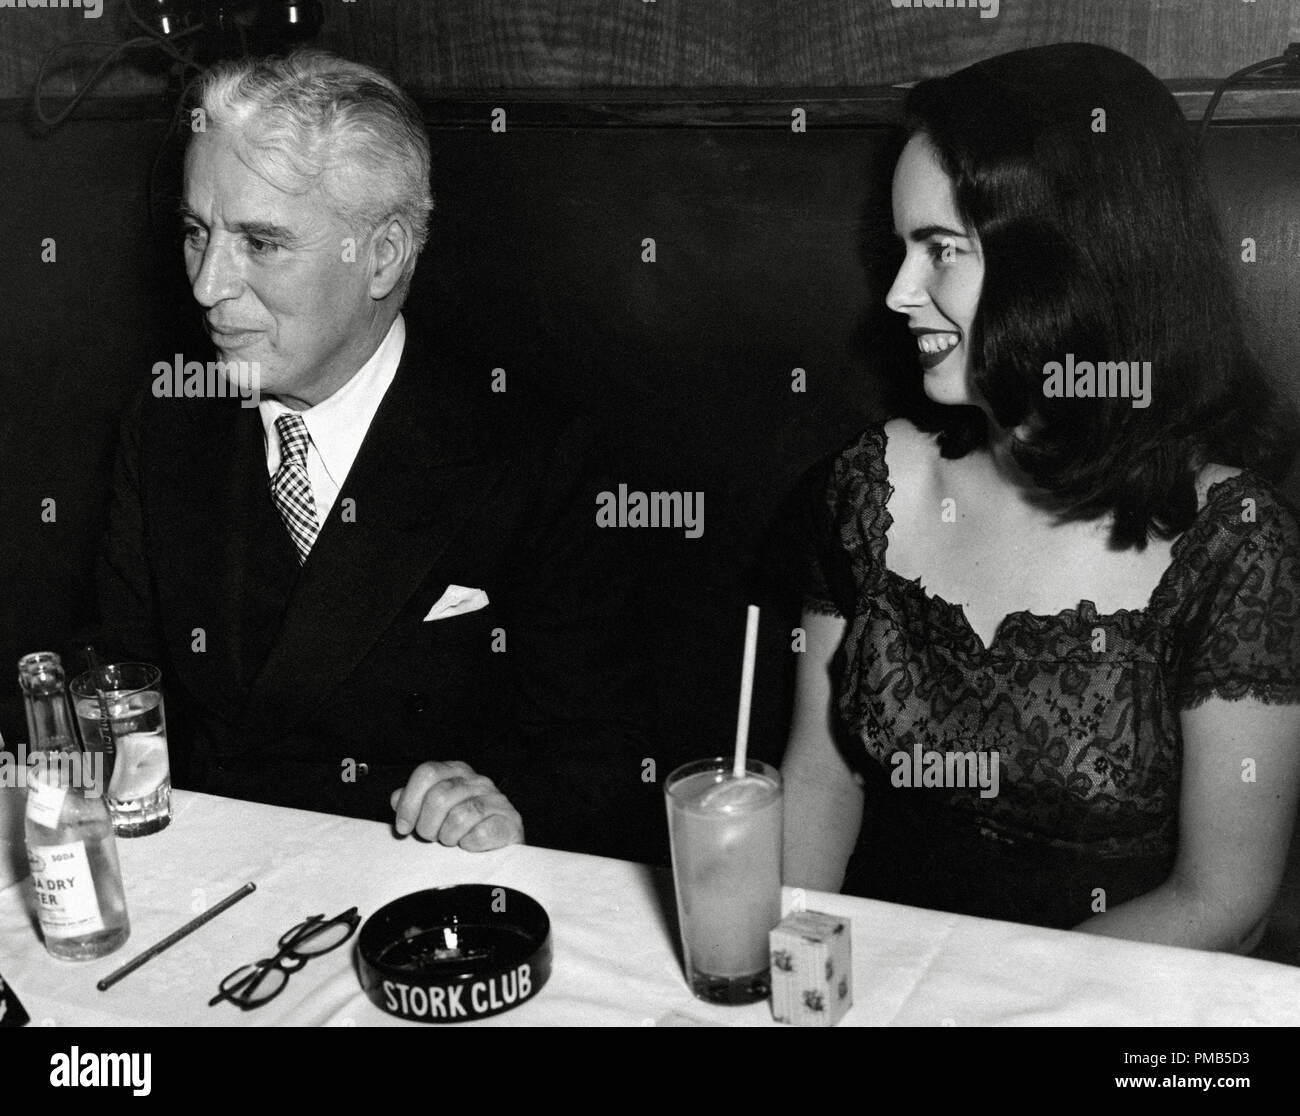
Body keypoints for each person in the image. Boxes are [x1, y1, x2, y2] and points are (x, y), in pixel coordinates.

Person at [782, 43, 1300, 951]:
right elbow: (822, 785)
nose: (900, 294)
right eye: (902, 248)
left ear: (1070, 265)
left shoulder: (1235, 542)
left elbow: (1225, 902)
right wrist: (778, 967)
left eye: (941, 249)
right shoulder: (870, 486)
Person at [95, 50, 648, 858]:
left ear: (382, 257)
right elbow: (120, 693)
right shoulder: (168, 422)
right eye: (195, 233)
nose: (208, 284)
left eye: (261, 243)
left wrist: (503, 811)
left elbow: (606, 764)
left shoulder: (537, 455)